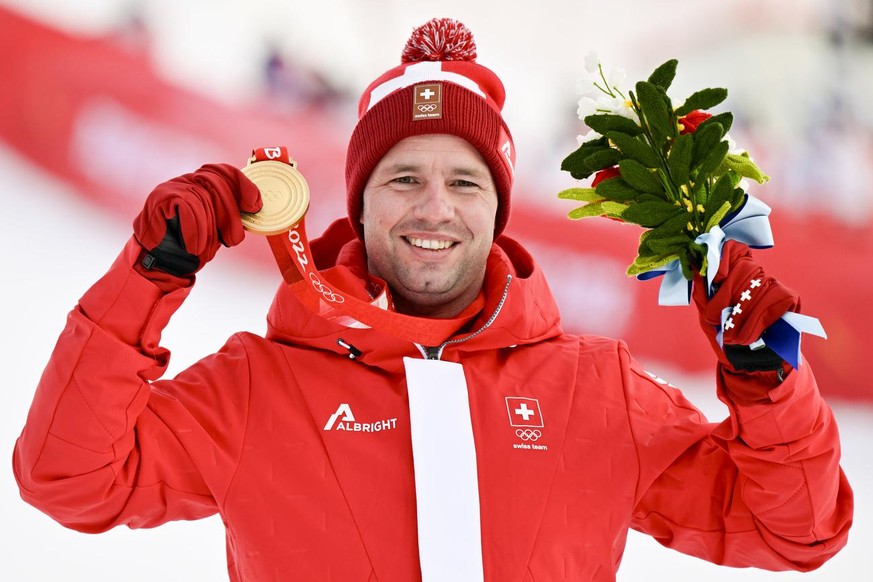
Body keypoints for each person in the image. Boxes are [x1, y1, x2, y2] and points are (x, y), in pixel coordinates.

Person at [13, 17, 853, 582]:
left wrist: (766, 380)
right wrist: (147, 278)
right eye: (403, 179)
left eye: (463, 182)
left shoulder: (596, 392)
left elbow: (794, 530)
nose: (434, 208)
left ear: (496, 208)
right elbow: (68, 477)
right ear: (360, 203)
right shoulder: (255, 386)